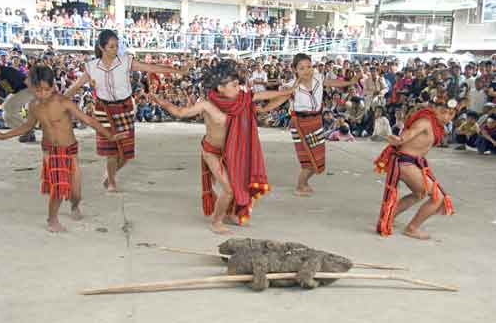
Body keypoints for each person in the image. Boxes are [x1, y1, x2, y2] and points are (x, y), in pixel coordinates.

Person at [149, 59, 297, 234]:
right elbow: (181, 112)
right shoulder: (206, 104)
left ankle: (230, 214)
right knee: (228, 189)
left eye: (238, 84)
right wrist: (159, 101)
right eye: (233, 85)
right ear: (220, 88)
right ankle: (216, 221)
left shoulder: (242, 99)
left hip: (233, 151)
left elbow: (265, 96)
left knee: (238, 183)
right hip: (211, 152)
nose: (238, 88)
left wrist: (289, 91)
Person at [0, 66, 126, 232]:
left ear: (53, 86)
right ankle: (52, 220)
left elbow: (88, 120)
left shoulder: (63, 102)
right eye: (38, 90)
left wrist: (110, 135)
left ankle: (74, 205)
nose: (42, 94)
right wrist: (4, 136)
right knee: (58, 186)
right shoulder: (34, 106)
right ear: (32, 89)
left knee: (76, 193)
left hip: (70, 150)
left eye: (46, 89)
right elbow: (27, 126)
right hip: (51, 150)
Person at [65, 29, 190, 192]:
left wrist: (177, 71)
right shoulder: (91, 67)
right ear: (102, 48)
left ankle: (110, 175)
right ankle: (111, 181)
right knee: (111, 152)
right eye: (111, 46)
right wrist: (57, 99)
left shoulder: (125, 61)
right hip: (103, 110)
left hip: (124, 109)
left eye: (117, 46)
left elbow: (150, 67)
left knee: (125, 153)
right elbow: (76, 87)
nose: (115, 49)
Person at [374, 100, 457, 240]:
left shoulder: (436, 125)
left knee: (419, 194)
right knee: (438, 198)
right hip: (405, 163)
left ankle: (390, 217)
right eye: (443, 112)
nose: (447, 117)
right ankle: (411, 228)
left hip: (410, 162)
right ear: (435, 109)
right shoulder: (425, 121)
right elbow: (410, 133)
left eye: (451, 114)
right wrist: (399, 140)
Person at [288, 53, 360, 196]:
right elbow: (279, 98)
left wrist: (350, 82)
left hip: (316, 122)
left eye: (309, 66)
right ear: (294, 69)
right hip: (300, 124)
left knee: (318, 159)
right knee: (309, 159)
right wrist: (265, 108)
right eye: (301, 68)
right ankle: (300, 186)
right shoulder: (291, 86)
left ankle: (304, 183)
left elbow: (334, 83)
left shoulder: (318, 78)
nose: (306, 70)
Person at [0, 56, 35, 142]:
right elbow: (3, 88)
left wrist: (37, 94)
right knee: (6, 115)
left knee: (8, 107)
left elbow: (26, 80)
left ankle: (27, 130)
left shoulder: (8, 71)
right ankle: (25, 131)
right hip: (16, 92)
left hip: (28, 89)